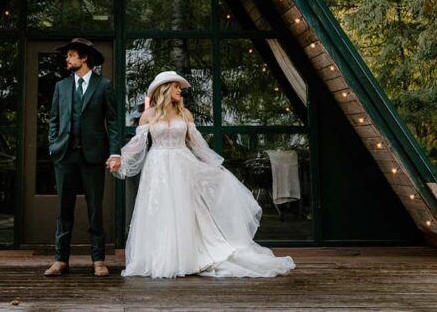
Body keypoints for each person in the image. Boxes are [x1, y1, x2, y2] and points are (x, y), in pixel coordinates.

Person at [112, 71, 296, 279]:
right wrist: (121, 160)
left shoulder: (185, 114)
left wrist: (214, 164)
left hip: (182, 165)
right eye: (176, 87)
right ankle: (162, 258)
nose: (180, 91)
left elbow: (198, 145)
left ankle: (190, 256)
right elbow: (137, 146)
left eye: (180, 87)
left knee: (185, 210)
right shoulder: (148, 115)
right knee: (160, 209)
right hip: (158, 168)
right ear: (164, 90)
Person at [43, 38, 121, 277]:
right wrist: (54, 144)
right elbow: (54, 119)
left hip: (94, 156)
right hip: (65, 155)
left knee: (95, 209)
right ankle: (60, 259)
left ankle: (98, 260)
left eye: (71, 55)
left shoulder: (104, 85)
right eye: (67, 56)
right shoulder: (61, 87)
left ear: (84, 57)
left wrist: (115, 152)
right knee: (63, 209)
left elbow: (114, 122)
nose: (67, 59)